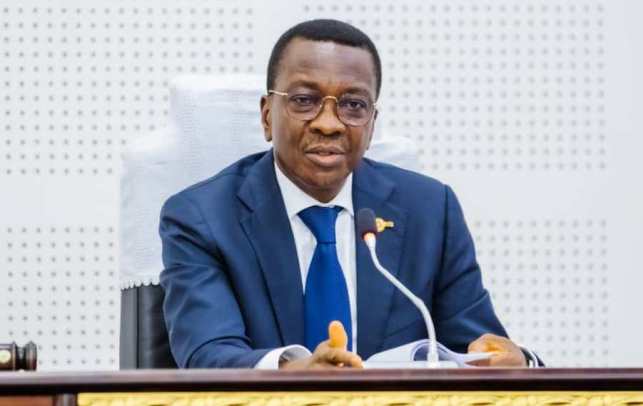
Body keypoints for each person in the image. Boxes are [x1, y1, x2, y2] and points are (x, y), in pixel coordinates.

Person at [159, 19, 540, 369]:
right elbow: (208, 356)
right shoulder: (202, 218)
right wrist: (295, 372)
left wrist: (519, 362)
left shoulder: (430, 211)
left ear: (371, 124)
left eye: (353, 105)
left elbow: (478, 348)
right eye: (304, 100)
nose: (328, 124)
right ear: (266, 116)